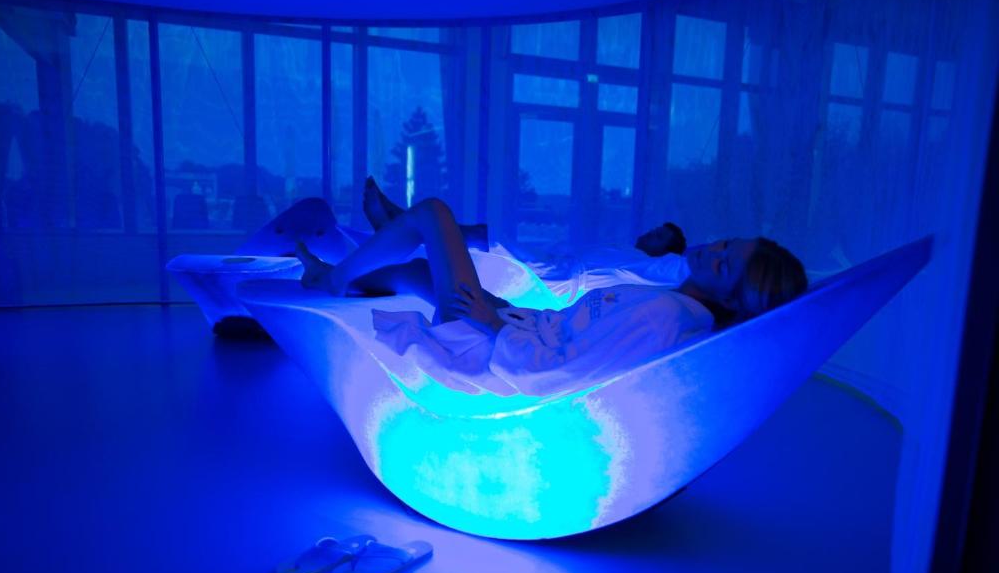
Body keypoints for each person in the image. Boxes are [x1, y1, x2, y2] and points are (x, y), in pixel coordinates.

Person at [295, 178, 807, 396]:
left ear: (731, 298)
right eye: (726, 244)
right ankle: (344, 276)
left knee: (433, 214)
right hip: (520, 324)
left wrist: (493, 323)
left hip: (489, 344)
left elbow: (565, 373)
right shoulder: (675, 303)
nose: (713, 250)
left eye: (724, 265)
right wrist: (506, 314)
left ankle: (334, 276)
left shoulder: (666, 318)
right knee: (416, 274)